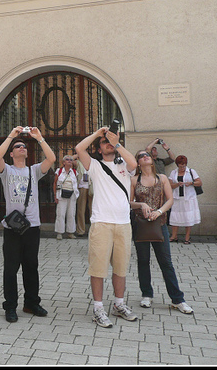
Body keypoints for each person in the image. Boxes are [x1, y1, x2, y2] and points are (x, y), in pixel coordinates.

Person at [75, 127, 138, 328]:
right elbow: (79, 148)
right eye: (104, 143)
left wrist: (116, 142)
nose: (108, 143)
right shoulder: (94, 165)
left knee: (120, 268)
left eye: (109, 142)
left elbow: (134, 163)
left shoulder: (124, 165)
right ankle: (98, 308)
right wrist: (96, 134)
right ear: (99, 149)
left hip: (123, 223)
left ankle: (119, 304)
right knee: (98, 268)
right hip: (101, 223)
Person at [0, 126, 55, 323]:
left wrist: (39, 138)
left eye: (23, 146)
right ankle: (10, 306)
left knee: (31, 266)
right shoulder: (7, 171)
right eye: (17, 146)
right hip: (12, 227)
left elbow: (51, 159)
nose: (22, 148)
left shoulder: (34, 170)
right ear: (11, 154)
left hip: (32, 226)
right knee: (11, 268)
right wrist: (12, 135)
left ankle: (31, 303)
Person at [130, 150, 193, 314]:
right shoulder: (134, 179)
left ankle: (178, 299)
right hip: (141, 224)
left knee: (166, 262)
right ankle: (146, 294)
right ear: (138, 162)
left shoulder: (162, 178)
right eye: (141, 156)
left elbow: (170, 199)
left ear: (151, 160)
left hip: (160, 224)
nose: (145, 156)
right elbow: (129, 202)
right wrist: (141, 205)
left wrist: (159, 211)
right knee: (143, 261)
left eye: (147, 155)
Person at [168, 155, 202, 244]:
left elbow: (199, 182)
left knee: (188, 217)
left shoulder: (191, 171)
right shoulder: (173, 172)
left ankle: (187, 237)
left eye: (184, 166)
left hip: (188, 198)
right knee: (175, 216)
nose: (182, 168)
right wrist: (177, 184)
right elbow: (170, 185)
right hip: (177, 198)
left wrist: (191, 183)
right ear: (177, 165)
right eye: (180, 166)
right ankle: (174, 236)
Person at [53, 155, 79, 240]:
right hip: (61, 194)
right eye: (67, 160)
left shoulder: (74, 172)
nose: (69, 161)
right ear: (64, 162)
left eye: (71, 160)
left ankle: (70, 232)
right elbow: (55, 183)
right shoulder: (59, 171)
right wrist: (55, 195)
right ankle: (59, 233)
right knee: (61, 213)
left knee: (71, 214)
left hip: (72, 194)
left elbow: (76, 183)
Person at [73, 154, 93, 236]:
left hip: (91, 187)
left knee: (93, 210)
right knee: (81, 210)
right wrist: (78, 154)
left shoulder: (92, 163)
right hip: (82, 187)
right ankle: (81, 230)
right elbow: (69, 158)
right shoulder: (78, 163)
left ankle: (93, 230)